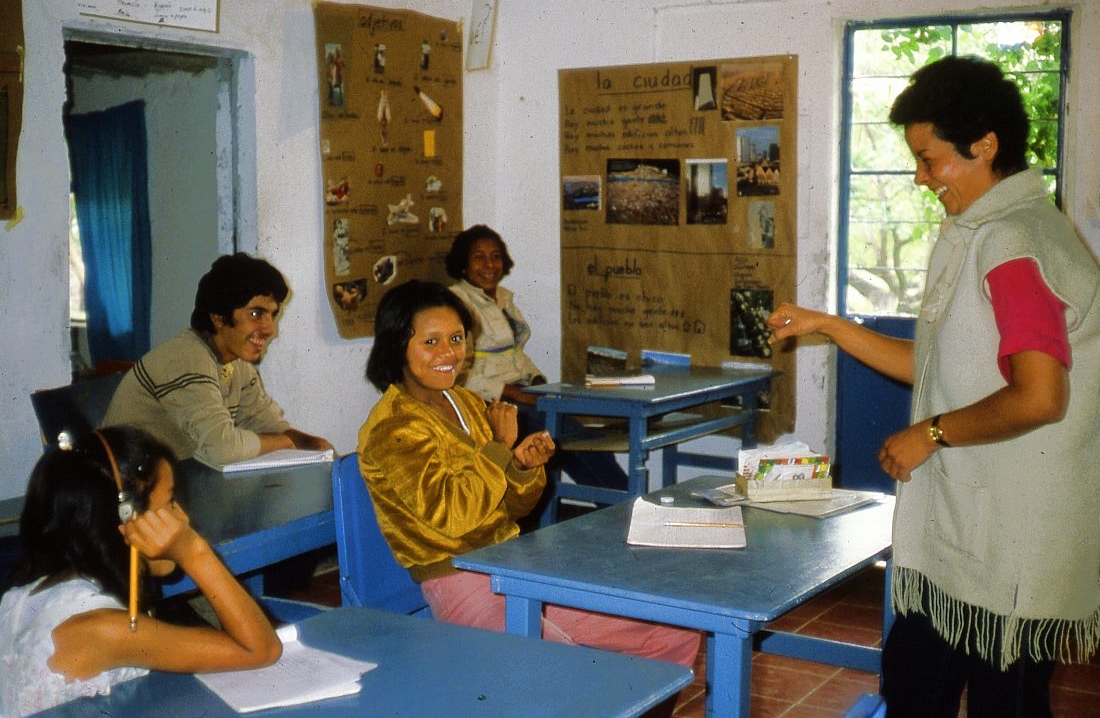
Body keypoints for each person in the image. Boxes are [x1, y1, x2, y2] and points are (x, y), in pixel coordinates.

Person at [766, 56, 1099, 716]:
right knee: (916, 675)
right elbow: (941, 363)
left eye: (930, 159)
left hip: (1009, 541)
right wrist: (829, 325)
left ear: (985, 147)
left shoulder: (1013, 244)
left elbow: (1039, 395)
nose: (920, 178)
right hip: (972, 532)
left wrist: (933, 432)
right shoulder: (989, 231)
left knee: (1003, 698)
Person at [357, 280, 699, 667]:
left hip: (510, 564)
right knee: (562, 670)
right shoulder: (393, 427)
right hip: (458, 579)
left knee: (672, 631)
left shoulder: (465, 402)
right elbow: (452, 516)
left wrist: (521, 466)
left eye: (456, 338)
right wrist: (500, 449)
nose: (449, 354)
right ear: (396, 345)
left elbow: (515, 510)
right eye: (430, 342)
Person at [0, 426, 281, 715]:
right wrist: (193, 551)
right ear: (126, 520)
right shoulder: (103, 629)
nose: (183, 518)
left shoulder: (26, 595)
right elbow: (261, 649)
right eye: (170, 503)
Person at [104, 253, 331, 469]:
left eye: (272, 314)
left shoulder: (236, 365)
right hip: (123, 491)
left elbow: (265, 424)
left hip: (169, 482)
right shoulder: (186, 358)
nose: (270, 328)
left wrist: (313, 445)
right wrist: (285, 442)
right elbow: (223, 448)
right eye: (256, 314)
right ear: (219, 318)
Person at [445, 224, 629, 491]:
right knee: (568, 439)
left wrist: (541, 384)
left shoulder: (502, 297)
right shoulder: (457, 302)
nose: (489, 264)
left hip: (521, 393)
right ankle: (628, 509)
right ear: (463, 265)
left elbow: (514, 353)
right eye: (479, 257)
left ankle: (615, 511)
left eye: (495, 256)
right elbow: (460, 373)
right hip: (489, 401)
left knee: (580, 445)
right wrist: (516, 394)